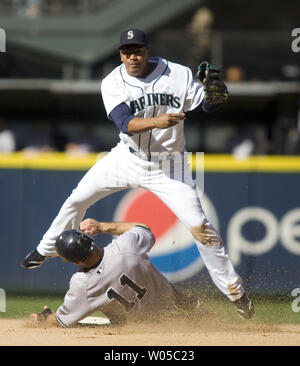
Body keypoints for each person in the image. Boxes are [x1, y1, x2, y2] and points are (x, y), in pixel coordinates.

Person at [22, 28, 254, 320]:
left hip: (170, 166)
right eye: (126, 51)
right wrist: (158, 120)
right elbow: (125, 123)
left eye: (137, 50)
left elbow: (205, 104)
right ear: (120, 54)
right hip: (125, 158)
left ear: (148, 50)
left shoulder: (178, 74)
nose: (132, 56)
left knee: (200, 227)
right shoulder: (112, 82)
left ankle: (235, 292)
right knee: (77, 199)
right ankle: (46, 250)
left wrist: (216, 98)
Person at [30, 219, 200, 327]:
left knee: (97, 316)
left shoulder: (82, 284)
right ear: (90, 239)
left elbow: (62, 320)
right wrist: (102, 226)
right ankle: (193, 308)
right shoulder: (126, 246)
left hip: (138, 327)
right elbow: (144, 228)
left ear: (75, 261)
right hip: (171, 305)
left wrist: (45, 317)